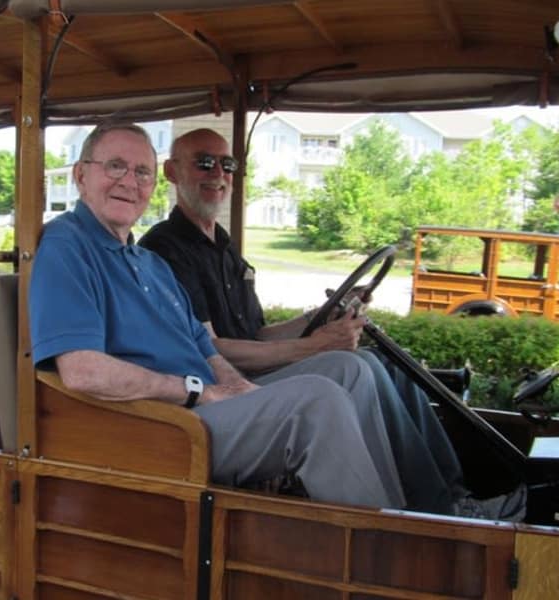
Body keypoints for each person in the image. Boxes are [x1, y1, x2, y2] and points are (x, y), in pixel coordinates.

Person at [29, 121, 416, 510]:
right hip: (158, 426)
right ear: (81, 175)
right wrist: (197, 392)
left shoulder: (150, 263)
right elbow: (83, 370)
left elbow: (203, 345)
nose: (129, 182)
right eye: (115, 166)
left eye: (142, 171)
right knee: (317, 402)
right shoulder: (67, 245)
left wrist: (236, 386)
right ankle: (382, 549)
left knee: (346, 369)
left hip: (202, 406)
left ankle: (405, 514)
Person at [139, 128, 524, 518]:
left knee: (385, 362)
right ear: (171, 172)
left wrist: (321, 315)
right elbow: (214, 348)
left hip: (254, 370)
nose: (218, 174)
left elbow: (256, 334)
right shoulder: (165, 249)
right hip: (224, 385)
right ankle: (428, 511)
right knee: (353, 367)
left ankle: (453, 494)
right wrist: (315, 346)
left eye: (227, 164)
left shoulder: (223, 245)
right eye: (204, 163)